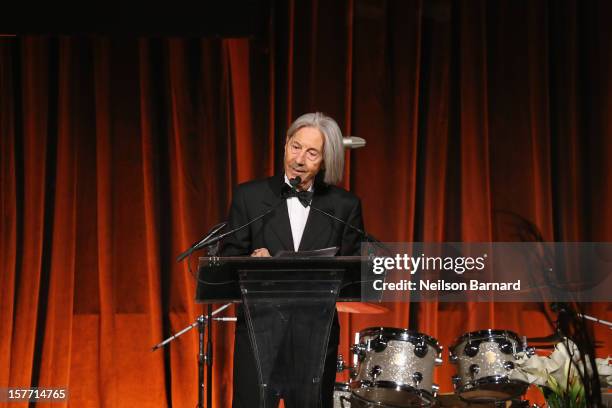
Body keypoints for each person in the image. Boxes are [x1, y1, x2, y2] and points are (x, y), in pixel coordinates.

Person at [222, 112, 364, 408]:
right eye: (295, 147)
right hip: (259, 335)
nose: (299, 159)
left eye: (311, 153)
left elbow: (354, 275)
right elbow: (228, 258)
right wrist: (250, 262)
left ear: (325, 160)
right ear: (286, 144)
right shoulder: (249, 196)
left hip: (315, 337)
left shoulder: (344, 206)